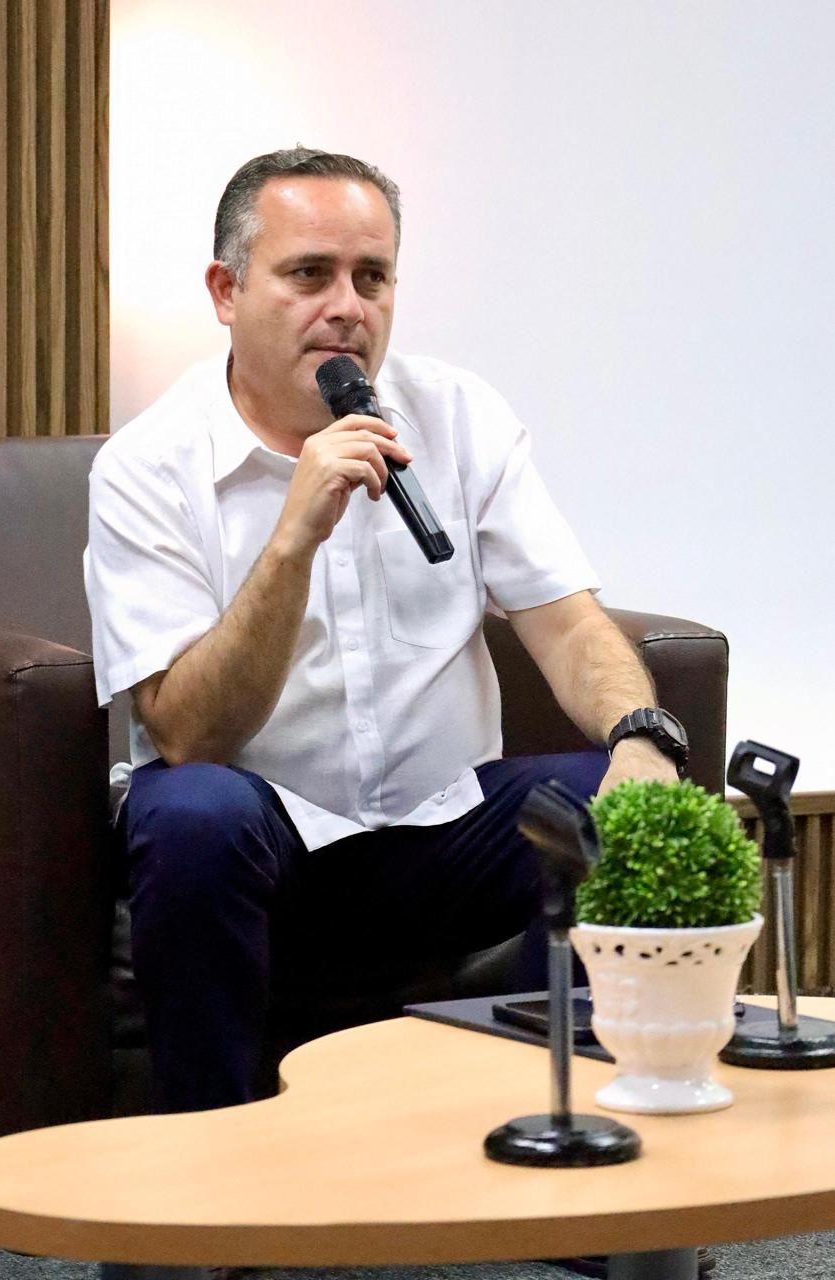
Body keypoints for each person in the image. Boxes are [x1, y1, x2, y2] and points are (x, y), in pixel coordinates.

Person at [85, 147, 685, 1118]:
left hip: (439, 832)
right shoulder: (148, 465)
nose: (346, 307)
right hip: (261, 844)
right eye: (308, 274)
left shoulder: (456, 415)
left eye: (371, 277)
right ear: (226, 292)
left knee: (623, 808)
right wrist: (294, 537)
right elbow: (187, 732)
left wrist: (640, 739)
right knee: (190, 812)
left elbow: (568, 622)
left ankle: (526, 1112)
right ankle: (208, 1162)